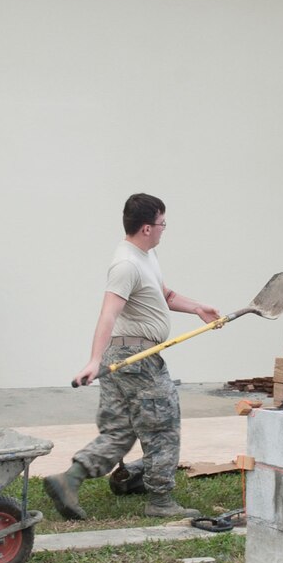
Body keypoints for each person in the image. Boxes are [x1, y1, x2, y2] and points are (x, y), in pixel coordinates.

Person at [47, 193, 220, 521]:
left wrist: (198, 307)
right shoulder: (126, 264)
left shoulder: (144, 257)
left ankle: (70, 479)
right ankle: (160, 499)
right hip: (135, 357)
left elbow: (164, 295)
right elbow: (108, 313)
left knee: (120, 428)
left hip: (127, 355)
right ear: (145, 228)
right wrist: (94, 360)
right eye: (161, 224)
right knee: (163, 423)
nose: (163, 230)